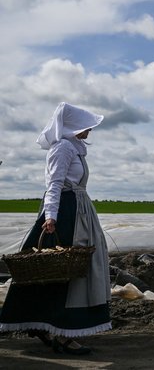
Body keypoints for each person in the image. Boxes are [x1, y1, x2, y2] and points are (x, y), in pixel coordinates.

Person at [0, 102, 111, 355]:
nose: (89, 131)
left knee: (73, 269)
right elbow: (54, 184)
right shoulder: (62, 148)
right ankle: (60, 332)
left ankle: (56, 328)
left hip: (78, 209)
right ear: (73, 126)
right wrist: (51, 217)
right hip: (66, 213)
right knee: (61, 270)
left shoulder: (75, 149)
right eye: (86, 127)